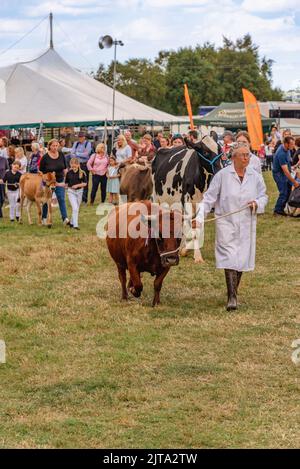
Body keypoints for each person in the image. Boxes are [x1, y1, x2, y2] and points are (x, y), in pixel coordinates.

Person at [198, 142, 268, 311]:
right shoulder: (222, 175)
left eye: (248, 155)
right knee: (229, 257)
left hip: (246, 222)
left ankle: (233, 290)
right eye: (243, 155)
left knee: (242, 258)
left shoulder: (254, 175)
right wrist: (200, 217)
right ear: (234, 157)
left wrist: (257, 203)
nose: (247, 158)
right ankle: (232, 297)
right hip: (226, 223)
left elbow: (263, 195)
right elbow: (208, 198)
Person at [39, 139, 70, 225]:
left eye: (57, 146)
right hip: (48, 183)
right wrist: (44, 179)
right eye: (53, 146)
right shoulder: (45, 157)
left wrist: (67, 180)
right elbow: (40, 171)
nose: (55, 147)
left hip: (59, 181)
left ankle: (65, 218)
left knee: (61, 199)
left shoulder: (61, 155)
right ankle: (44, 218)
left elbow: (65, 169)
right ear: (49, 146)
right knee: (46, 200)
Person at [272, 136, 300, 216]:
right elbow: (286, 171)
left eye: (293, 144)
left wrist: (295, 166)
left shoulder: (287, 150)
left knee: (288, 191)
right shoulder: (281, 153)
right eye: (291, 144)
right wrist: (294, 182)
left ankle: (282, 209)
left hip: (284, 173)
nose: (293, 146)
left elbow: (289, 163)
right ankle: (277, 210)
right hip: (279, 174)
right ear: (286, 144)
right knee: (283, 192)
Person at [65, 158, 87, 230]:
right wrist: (58, 184)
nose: (73, 167)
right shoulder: (68, 173)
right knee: (75, 208)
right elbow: (66, 184)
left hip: (79, 192)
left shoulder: (82, 173)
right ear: (70, 165)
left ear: (78, 165)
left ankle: (71, 222)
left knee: (76, 208)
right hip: (71, 192)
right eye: (72, 165)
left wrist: (77, 186)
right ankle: (75, 225)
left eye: (75, 165)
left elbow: (85, 183)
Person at [70, 132, 92, 203]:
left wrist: (77, 154)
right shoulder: (76, 143)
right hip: (76, 165)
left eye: (81, 137)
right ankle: (76, 198)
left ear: (84, 137)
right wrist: (80, 154)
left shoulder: (87, 143)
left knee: (85, 182)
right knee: (75, 180)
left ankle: (84, 200)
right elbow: (71, 154)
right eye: (78, 137)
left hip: (84, 164)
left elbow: (86, 154)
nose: (79, 138)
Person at [0, 152, 9, 218]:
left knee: (2, 198)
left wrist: (4, 179)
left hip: (2, 182)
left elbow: (7, 170)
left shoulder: (4, 159)